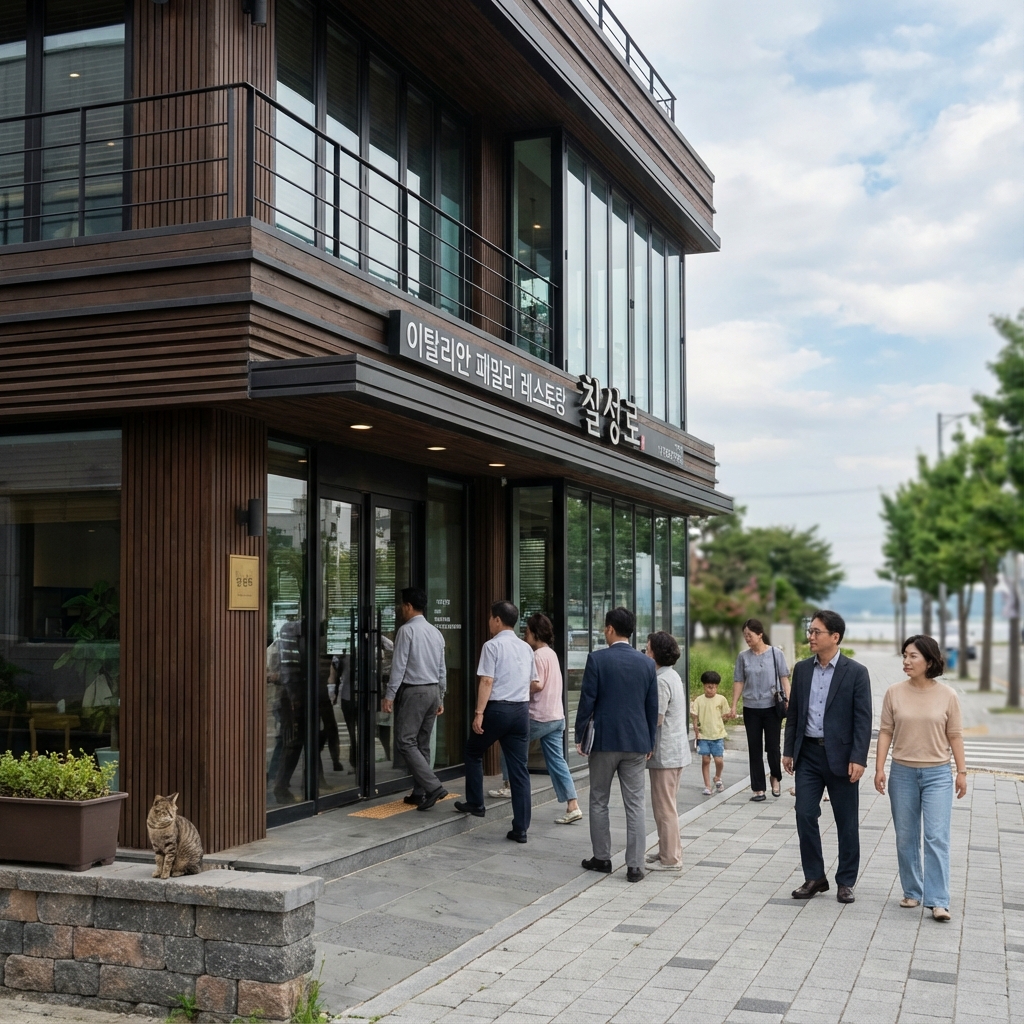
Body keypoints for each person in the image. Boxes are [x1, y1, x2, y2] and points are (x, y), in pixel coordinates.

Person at [874, 635, 966, 922]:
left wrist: (961, 772)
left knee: (936, 837)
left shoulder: (948, 695)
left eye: (913, 656)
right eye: (904, 655)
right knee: (906, 836)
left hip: (938, 774)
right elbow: (886, 731)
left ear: (929, 660)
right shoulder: (893, 692)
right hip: (902, 773)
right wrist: (879, 768)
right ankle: (912, 891)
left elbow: (955, 735)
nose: (906, 661)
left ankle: (938, 900)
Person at [783, 610, 871, 904]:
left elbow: (863, 720)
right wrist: (788, 750)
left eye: (816, 632)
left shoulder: (856, 672)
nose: (810, 636)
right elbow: (794, 713)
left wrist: (859, 757)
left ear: (835, 637)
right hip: (807, 753)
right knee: (804, 813)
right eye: (810, 631)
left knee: (847, 821)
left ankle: (845, 881)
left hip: (843, 757)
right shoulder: (802, 669)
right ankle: (815, 877)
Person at [574, 607, 658, 883]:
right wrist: (649, 741)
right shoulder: (646, 663)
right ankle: (635, 866)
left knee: (599, 799)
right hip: (636, 742)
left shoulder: (597, 659)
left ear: (610, 629)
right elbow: (651, 706)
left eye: (604, 627)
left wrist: (578, 736)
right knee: (635, 804)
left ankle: (602, 858)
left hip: (604, 742)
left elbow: (587, 701)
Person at [455, 600, 538, 842]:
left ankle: (475, 803)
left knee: (472, 751)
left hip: (498, 710)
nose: (490, 622)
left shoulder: (491, 646)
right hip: (521, 711)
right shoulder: (526, 648)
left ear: (498, 620)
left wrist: (479, 713)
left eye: (491, 618)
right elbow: (534, 682)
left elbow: (487, 681)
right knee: (519, 770)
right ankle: (521, 829)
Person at [491, 613, 582, 824]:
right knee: (557, 762)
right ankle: (572, 804)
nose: (525, 636)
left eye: (526, 632)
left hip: (539, 716)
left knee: (508, 741)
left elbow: (537, 684)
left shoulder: (538, 656)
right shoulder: (551, 654)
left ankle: (509, 785)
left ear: (534, 633)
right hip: (556, 716)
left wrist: (518, 685)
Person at [381, 587, 448, 811]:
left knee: (405, 741)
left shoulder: (406, 631)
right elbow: (441, 669)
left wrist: (389, 695)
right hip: (432, 691)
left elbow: (399, 666)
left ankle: (434, 787)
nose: (400, 609)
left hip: (415, 691)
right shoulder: (435, 632)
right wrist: (441, 696)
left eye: (402, 605)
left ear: (408, 606)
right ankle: (419, 792)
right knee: (422, 743)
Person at [644, 631, 691, 871]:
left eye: (648, 648)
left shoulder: (661, 680)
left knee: (664, 808)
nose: (645, 651)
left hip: (666, 754)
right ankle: (666, 850)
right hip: (675, 752)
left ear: (657, 653)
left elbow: (657, 718)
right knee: (666, 805)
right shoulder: (671, 675)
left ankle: (671, 859)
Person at [733, 618, 790, 801]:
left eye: (749, 635)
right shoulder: (743, 656)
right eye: (745, 636)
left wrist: (789, 700)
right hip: (751, 708)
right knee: (754, 748)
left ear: (760, 634)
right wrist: (734, 704)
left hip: (772, 707)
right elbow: (739, 681)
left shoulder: (776, 654)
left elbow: (784, 679)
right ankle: (758, 788)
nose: (747, 639)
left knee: (773, 747)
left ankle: (775, 776)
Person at [691, 671, 732, 795]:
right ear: (704, 686)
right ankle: (707, 786)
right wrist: (695, 729)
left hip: (718, 735)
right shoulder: (699, 700)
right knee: (706, 760)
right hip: (704, 735)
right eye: (709, 687)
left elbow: (725, 715)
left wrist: (728, 716)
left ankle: (717, 777)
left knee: (719, 760)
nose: (712, 689)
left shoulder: (721, 699)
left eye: (714, 687)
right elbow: (694, 715)